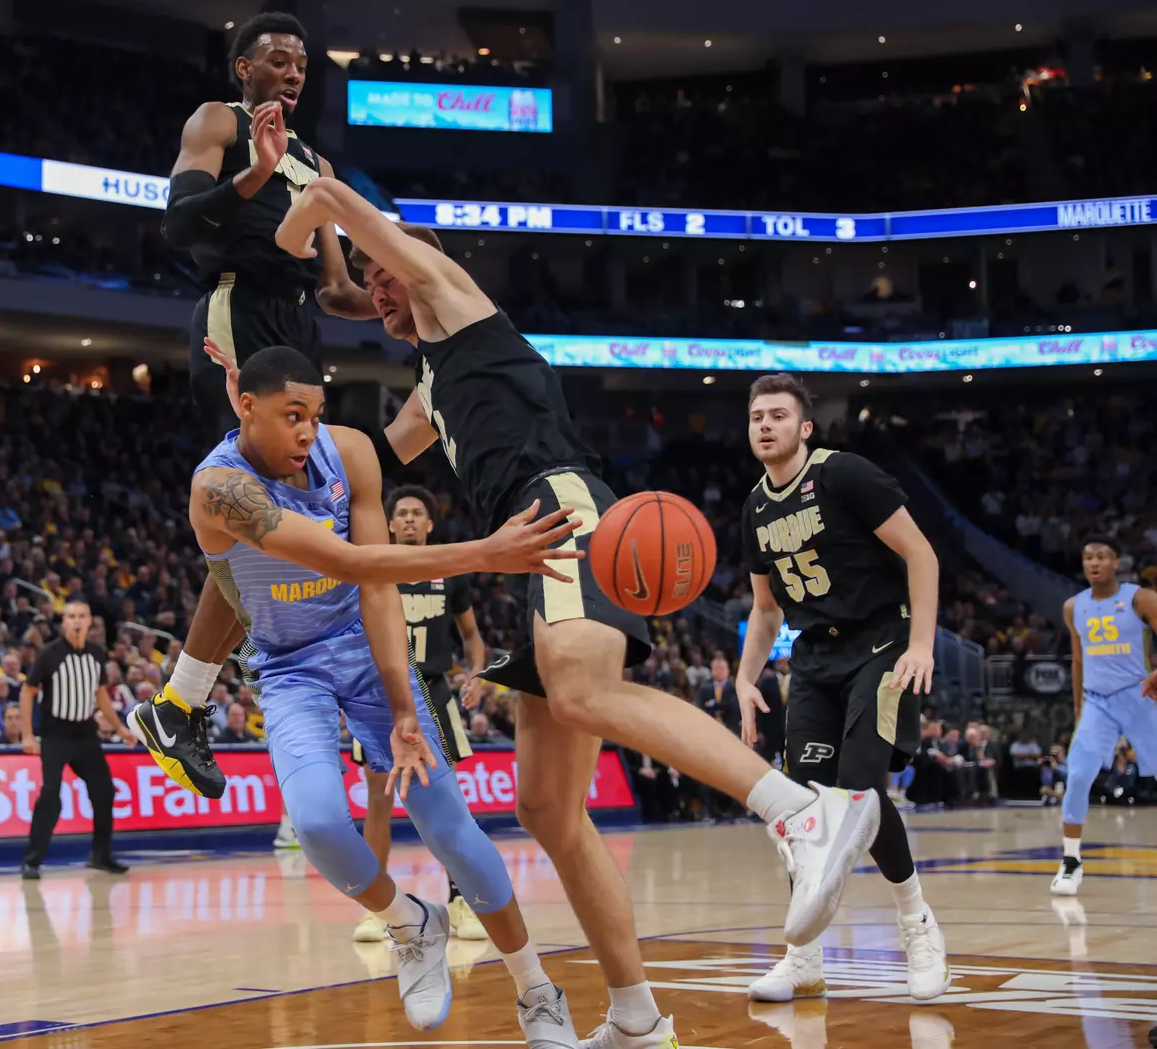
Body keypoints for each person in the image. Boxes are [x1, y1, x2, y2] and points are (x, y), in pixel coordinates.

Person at [270, 180, 882, 1049]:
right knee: (547, 807)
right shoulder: (432, 379)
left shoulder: (452, 298)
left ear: (416, 263)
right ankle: (637, 1018)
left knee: (582, 692)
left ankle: (799, 812)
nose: (379, 290)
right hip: (528, 545)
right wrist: (275, 423)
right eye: (372, 283)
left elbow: (347, 210)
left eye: (385, 274)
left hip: (563, 507)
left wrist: (298, 218)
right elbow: (374, 453)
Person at [176, 347, 601, 1046]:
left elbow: (373, 587)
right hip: (289, 667)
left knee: (451, 829)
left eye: (315, 414)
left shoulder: (349, 453)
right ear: (246, 406)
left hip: (366, 650)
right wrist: (484, 551)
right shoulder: (220, 489)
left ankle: (537, 991)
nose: (309, 432)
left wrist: (404, 706)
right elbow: (346, 560)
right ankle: (410, 921)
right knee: (317, 824)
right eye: (292, 415)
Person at [139, 10, 373, 801]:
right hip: (236, 310)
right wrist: (253, 174)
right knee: (254, 514)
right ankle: (190, 699)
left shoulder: (317, 163)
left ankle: (181, 704)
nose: (294, 71)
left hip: (298, 326)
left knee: (288, 521)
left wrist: (408, 298)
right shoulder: (218, 122)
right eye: (278, 59)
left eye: (302, 63)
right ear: (245, 68)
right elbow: (178, 225)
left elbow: (335, 288)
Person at [731, 373, 949, 1003]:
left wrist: (921, 644)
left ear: (805, 428)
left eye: (778, 415)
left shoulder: (843, 474)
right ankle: (803, 960)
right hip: (815, 658)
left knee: (858, 791)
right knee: (800, 807)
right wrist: (745, 677)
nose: (765, 425)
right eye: (757, 417)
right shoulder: (754, 507)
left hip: (881, 642)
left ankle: (918, 925)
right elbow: (766, 609)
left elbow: (922, 555)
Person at [353, 485, 489, 945]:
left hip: (432, 691)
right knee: (379, 801)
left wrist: (476, 673)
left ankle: (460, 900)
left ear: (429, 524)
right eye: (402, 513)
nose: (409, 519)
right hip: (378, 696)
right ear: (389, 524)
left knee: (446, 805)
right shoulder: (371, 569)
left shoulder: (448, 571)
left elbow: (472, 636)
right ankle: (378, 909)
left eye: (417, 513)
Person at [1050, 534, 1157, 897]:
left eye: (1101, 556)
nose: (1094, 563)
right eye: (1088, 557)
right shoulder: (1073, 606)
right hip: (1097, 702)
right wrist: (1079, 708)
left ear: (1116, 562)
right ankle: (1070, 861)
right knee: (1078, 775)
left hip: (1139, 696)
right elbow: (1078, 660)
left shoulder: (1140, 598)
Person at [21, 600, 134, 878]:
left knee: (104, 791)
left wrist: (119, 728)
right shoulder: (50, 653)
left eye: (81, 616)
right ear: (64, 622)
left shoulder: (97, 653)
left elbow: (100, 693)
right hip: (55, 734)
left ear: (89, 621)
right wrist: (27, 734)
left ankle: (100, 855)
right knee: (50, 794)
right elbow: (27, 690)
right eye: (71, 616)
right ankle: (32, 861)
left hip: (86, 734)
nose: (76, 621)